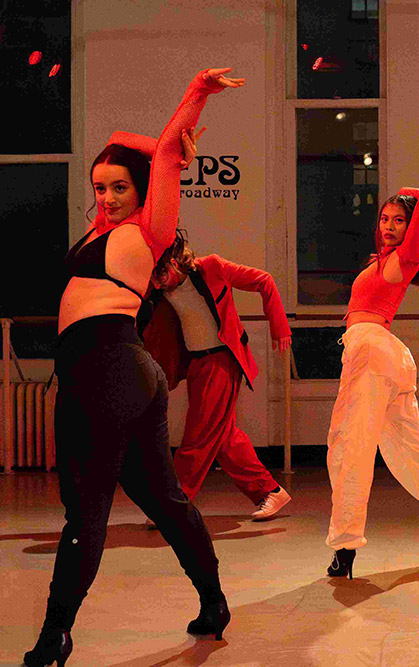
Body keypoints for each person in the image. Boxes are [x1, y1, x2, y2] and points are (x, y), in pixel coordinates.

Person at [24, 68, 242, 667]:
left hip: (108, 368)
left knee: (86, 509)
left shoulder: (150, 229)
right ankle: (214, 602)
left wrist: (194, 96)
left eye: (119, 186)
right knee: (164, 499)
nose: (107, 197)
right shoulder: (100, 231)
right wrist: (163, 148)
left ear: (143, 191)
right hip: (120, 373)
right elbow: (125, 137)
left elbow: (163, 153)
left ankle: (55, 635)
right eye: (99, 187)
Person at [325, 120, 419, 579]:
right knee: (409, 450)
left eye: (399, 220)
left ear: (413, 228)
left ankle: (344, 547)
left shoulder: (408, 256)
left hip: (371, 352)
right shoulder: (384, 261)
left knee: (350, 446)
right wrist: (417, 195)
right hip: (384, 355)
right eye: (385, 219)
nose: (390, 226)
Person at [139, 232, 293, 520]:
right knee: (225, 439)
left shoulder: (212, 267)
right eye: (153, 278)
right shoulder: (159, 287)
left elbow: (264, 280)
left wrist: (280, 326)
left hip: (222, 361)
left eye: (160, 275)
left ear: (175, 263)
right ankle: (270, 491)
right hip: (196, 364)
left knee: (197, 437)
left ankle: (174, 503)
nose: (157, 284)